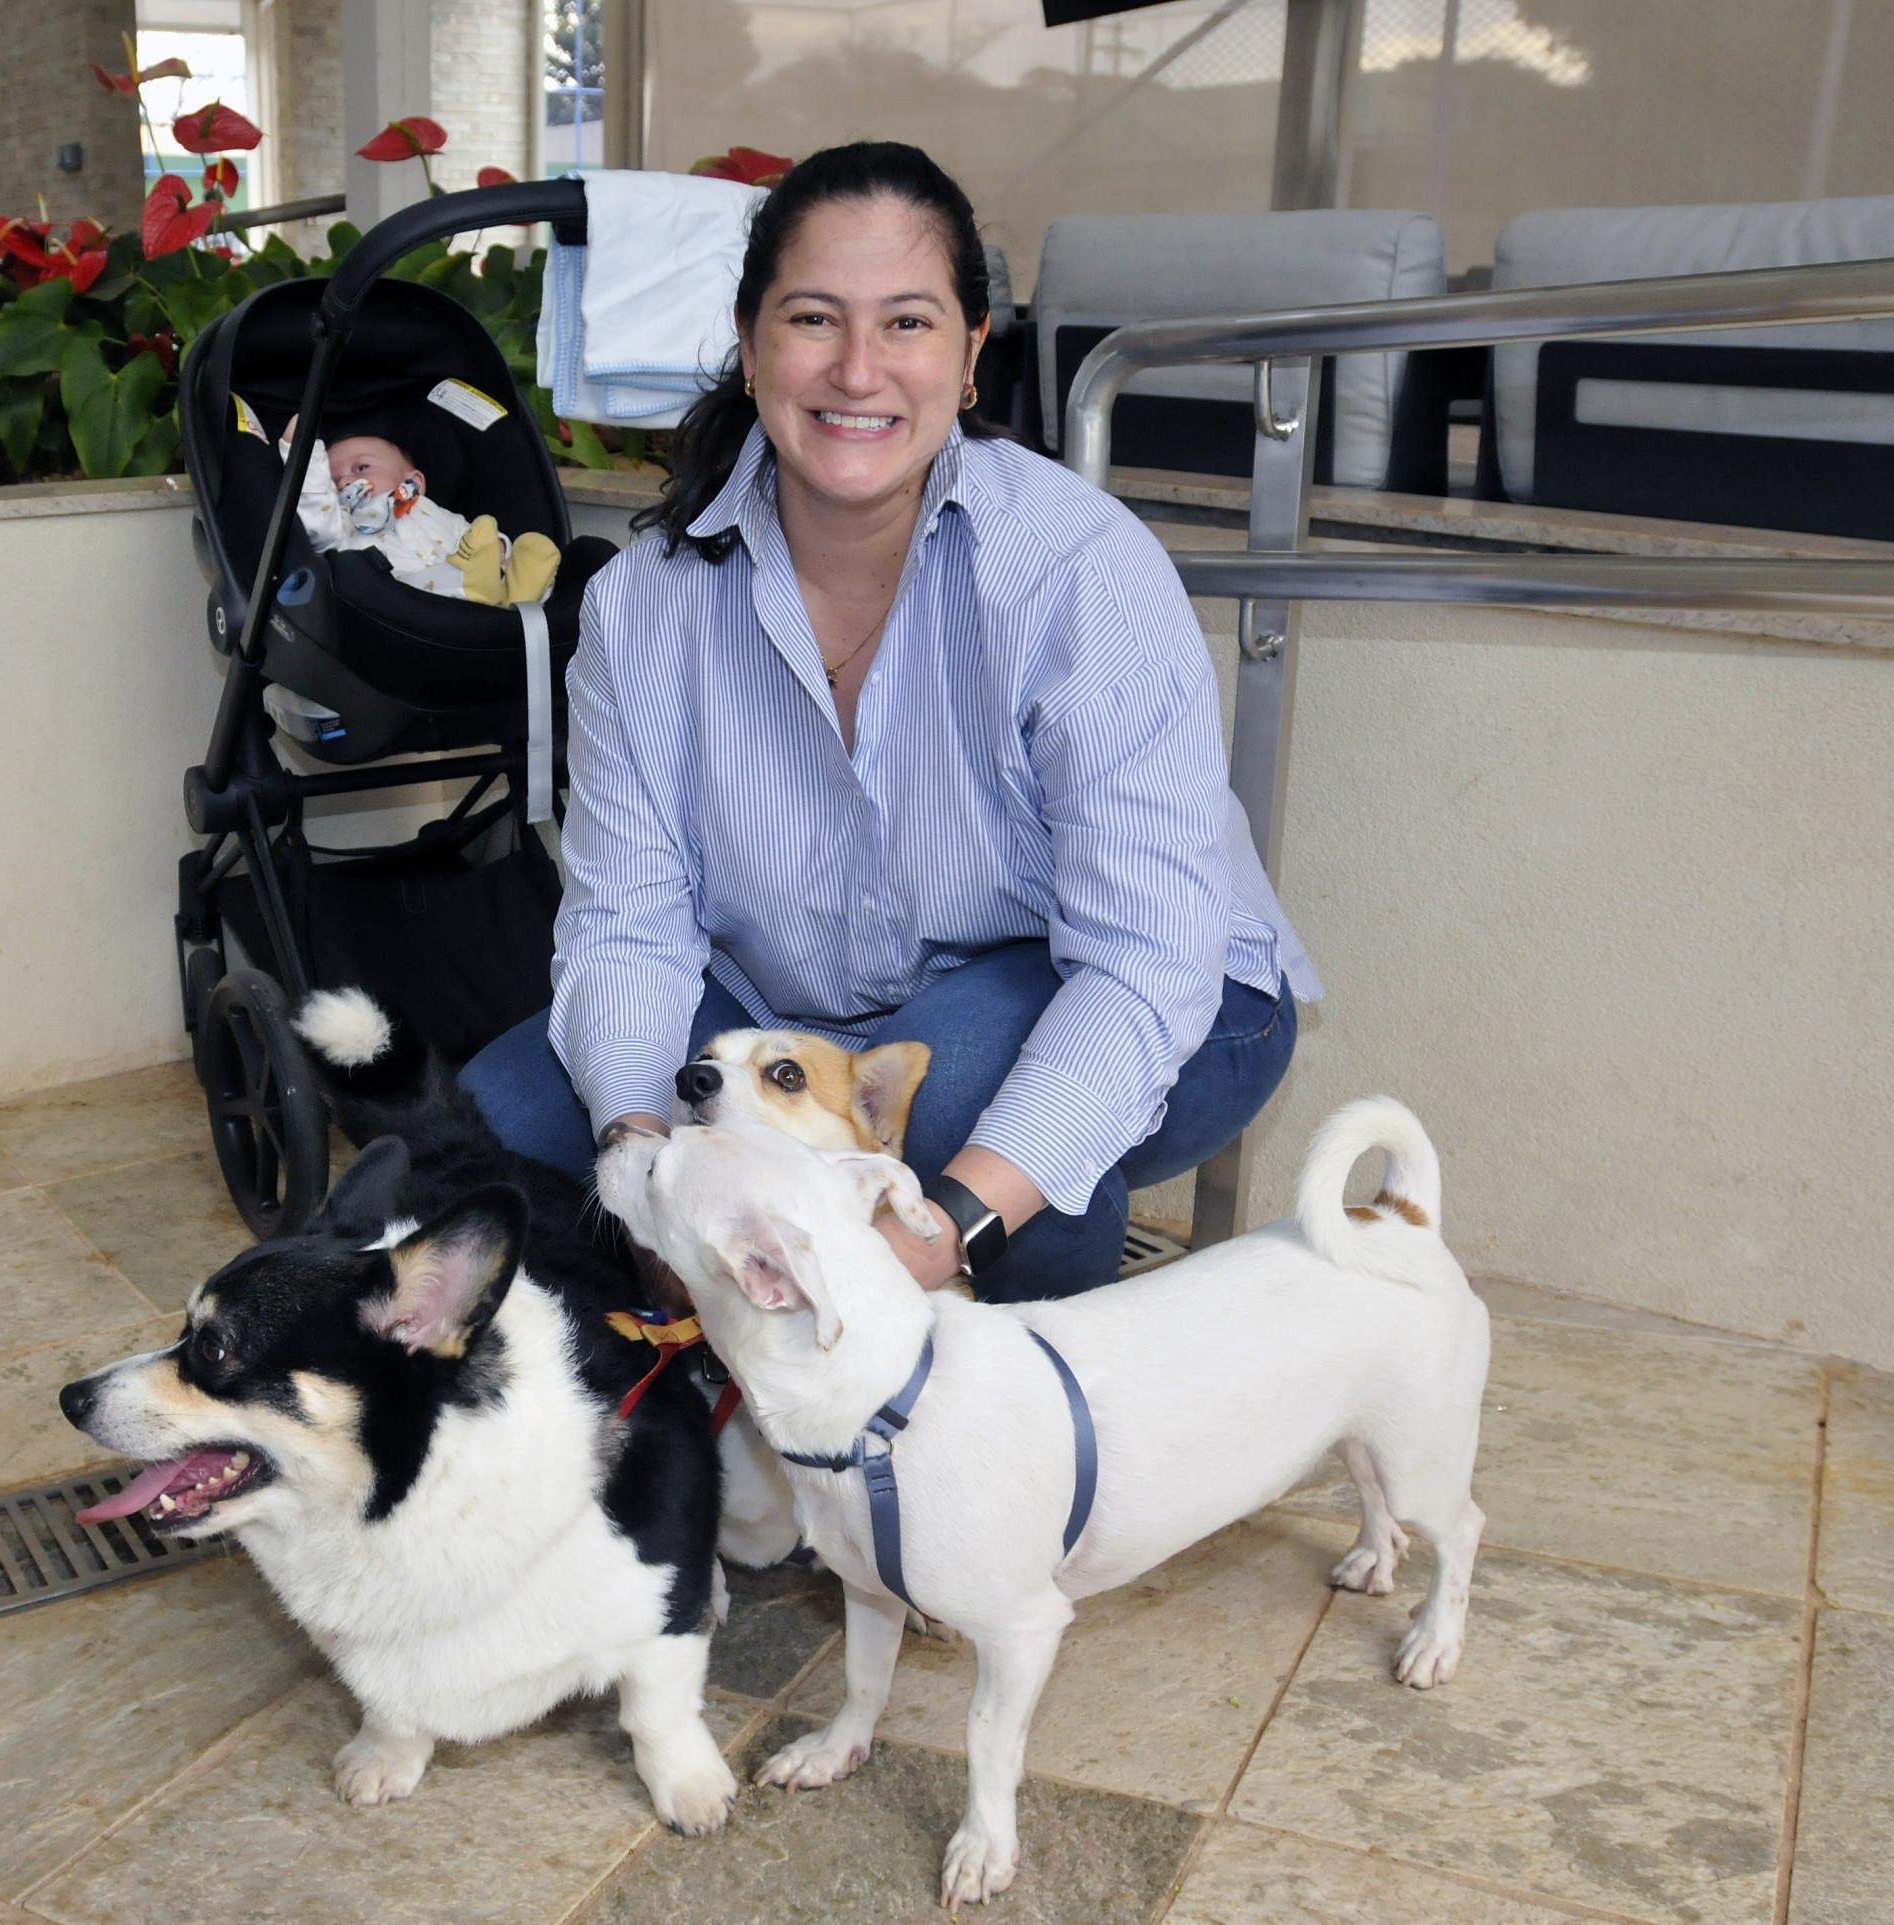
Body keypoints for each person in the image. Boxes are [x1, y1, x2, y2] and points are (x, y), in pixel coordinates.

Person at [459, 141, 1320, 1303]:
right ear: (752, 339)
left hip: (1160, 993)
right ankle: (702, 1416)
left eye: (907, 323)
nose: (858, 370)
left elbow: (1141, 963)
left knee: (941, 1096)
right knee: (499, 1128)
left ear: (970, 353)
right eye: (813, 318)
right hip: (796, 1011)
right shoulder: (646, 602)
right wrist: (639, 1163)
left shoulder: (1076, 569)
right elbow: (627, 931)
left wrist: (946, 1226)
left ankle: (1016, 1388)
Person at [283, 402, 561, 605]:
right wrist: (305, 459)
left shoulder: (431, 511)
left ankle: (518, 595)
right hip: (407, 600)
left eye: (361, 467)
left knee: (527, 546)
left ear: (414, 481)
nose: (345, 482)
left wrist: (500, 548)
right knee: (449, 574)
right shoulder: (342, 524)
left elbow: (473, 541)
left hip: (474, 581)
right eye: (334, 480)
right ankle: (476, 588)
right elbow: (317, 522)